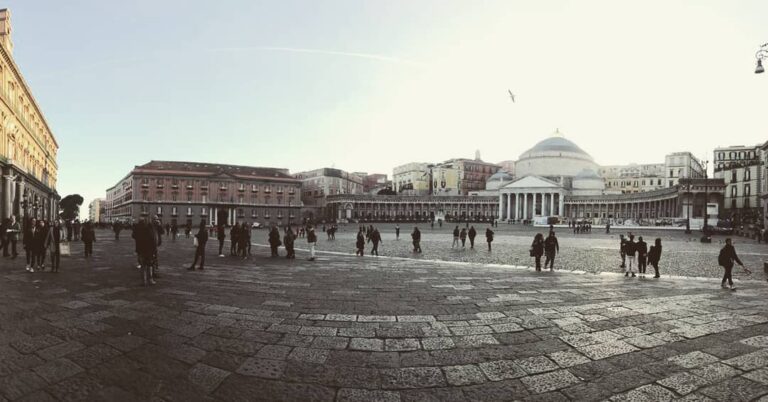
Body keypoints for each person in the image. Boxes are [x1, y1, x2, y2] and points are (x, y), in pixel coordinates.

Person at [135, 218, 158, 285]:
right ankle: (150, 280)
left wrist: (138, 252)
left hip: (142, 251)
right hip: (149, 252)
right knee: (150, 265)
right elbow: (154, 242)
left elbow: (137, 242)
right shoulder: (151, 232)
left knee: (143, 266)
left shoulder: (140, 232)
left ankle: (143, 281)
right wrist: (154, 251)